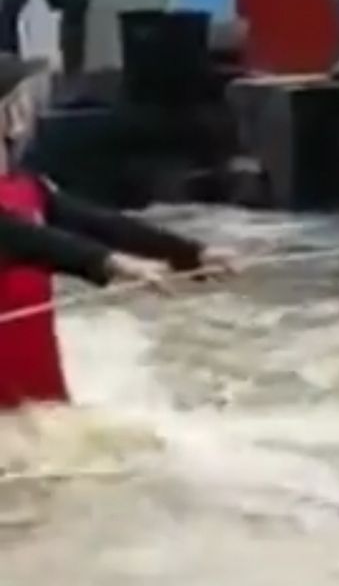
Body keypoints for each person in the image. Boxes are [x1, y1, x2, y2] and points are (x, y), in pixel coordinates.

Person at [0, 77, 236, 412]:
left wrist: (191, 253)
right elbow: (28, 238)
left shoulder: (29, 188)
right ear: (10, 118)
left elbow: (100, 224)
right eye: (21, 100)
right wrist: (110, 263)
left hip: (36, 399)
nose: (30, 109)